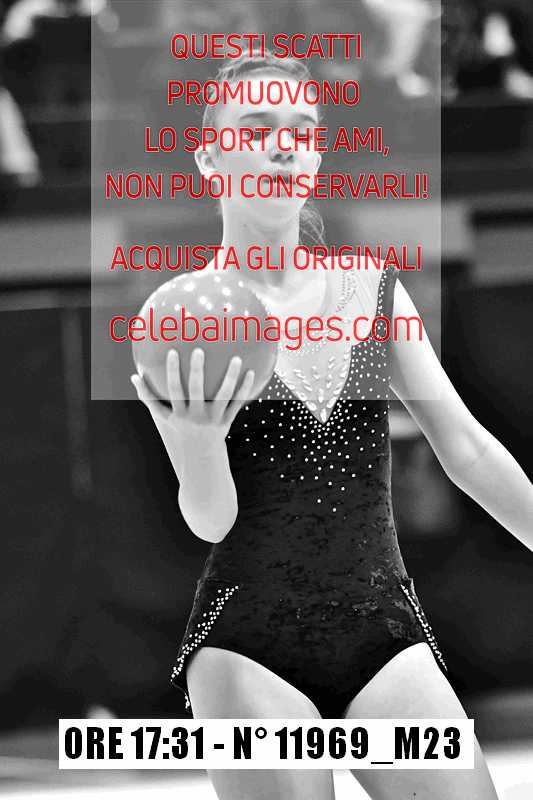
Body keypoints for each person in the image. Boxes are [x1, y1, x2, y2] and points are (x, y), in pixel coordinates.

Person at [131, 52, 532, 800]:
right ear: (210, 158)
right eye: (257, 127)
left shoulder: (371, 289)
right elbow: (211, 520)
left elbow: (468, 449)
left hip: (383, 630)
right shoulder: (187, 317)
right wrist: (195, 447)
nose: (283, 146)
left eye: (301, 129)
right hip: (247, 641)